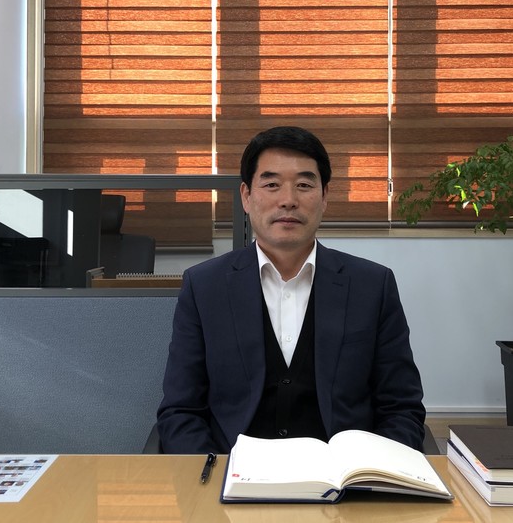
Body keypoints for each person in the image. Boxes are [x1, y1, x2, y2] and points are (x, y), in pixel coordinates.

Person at [157, 126, 426, 454]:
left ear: (324, 197)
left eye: (304, 185)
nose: (288, 200)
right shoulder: (204, 286)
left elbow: (401, 408)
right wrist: (212, 475)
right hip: (233, 475)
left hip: (344, 478)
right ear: (246, 196)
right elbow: (181, 410)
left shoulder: (372, 286)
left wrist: (373, 474)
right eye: (271, 185)